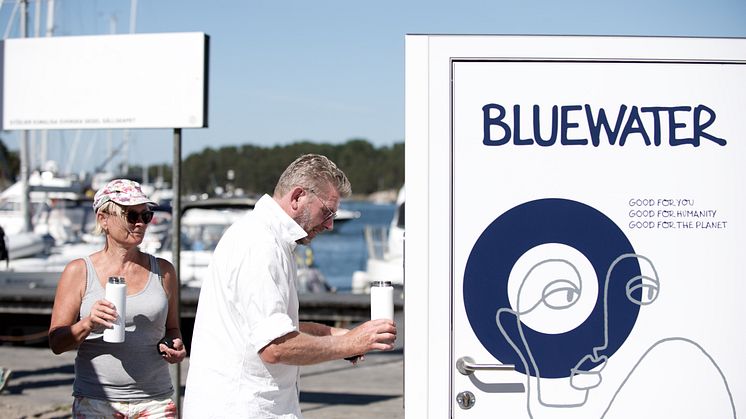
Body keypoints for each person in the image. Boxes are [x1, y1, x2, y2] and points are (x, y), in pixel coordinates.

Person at [183, 154, 397, 418]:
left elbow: (276, 328)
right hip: (242, 409)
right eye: (327, 212)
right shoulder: (261, 245)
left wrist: (343, 336)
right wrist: (350, 345)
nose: (330, 224)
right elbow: (276, 347)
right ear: (297, 197)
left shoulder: (267, 238)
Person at [49, 179, 186, 418]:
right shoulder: (79, 271)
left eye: (146, 215)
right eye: (131, 215)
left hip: (155, 400)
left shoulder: (163, 271)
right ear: (103, 219)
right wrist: (88, 324)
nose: (141, 223)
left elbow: (172, 328)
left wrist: (176, 346)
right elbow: (56, 342)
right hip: (96, 400)